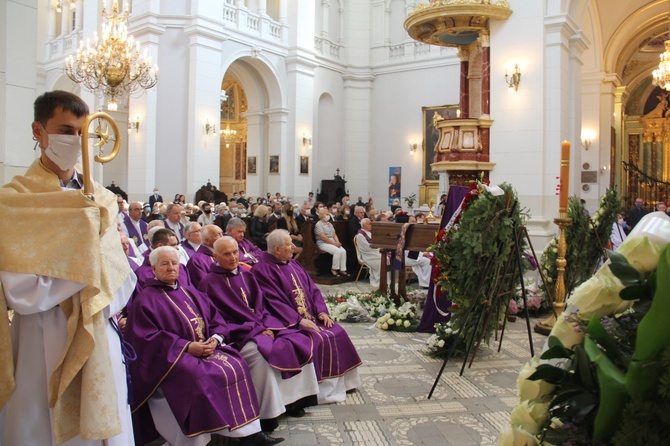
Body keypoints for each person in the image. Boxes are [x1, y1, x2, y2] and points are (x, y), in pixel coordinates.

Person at [0, 90, 137, 445]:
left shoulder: (102, 199)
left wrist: (95, 269)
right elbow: (21, 292)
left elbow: (124, 281)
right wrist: (87, 261)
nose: (74, 140)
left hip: (99, 328)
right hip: (43, 336)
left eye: (81, 132)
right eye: (65, 130)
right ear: (38, 131)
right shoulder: (15, 201)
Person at [125, 247, 283, 446]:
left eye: (174, 263)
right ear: (153, 269)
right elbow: (146, 339)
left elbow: (216, 320)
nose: (171, 268)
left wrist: (216, 339)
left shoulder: (189, 292)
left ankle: (249, 434)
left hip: (205, 349)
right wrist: (187, 347)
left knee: (236, 364)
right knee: (199, 377)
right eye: (164, 264)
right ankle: (201, 438)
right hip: (172, 359)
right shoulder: (145, 300)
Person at [199, 237, 320, 426]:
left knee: (297, 340)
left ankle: (294, 401)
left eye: (235, 252)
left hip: (263, 326)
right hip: (239, 335)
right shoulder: (208, 284)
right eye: (226, 254)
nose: (232, 257)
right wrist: (255, 330)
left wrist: (267, 325)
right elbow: (217, 320)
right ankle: (267, 414)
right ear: (215, 256)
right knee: (261, 355)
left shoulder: (247, 275)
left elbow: (262, 305)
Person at [251, 230, 362, 404]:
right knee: (317, 338)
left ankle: (345, 383)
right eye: (289, 244)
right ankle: (321, 391)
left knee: (337, 331)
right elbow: (272, 301)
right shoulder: (262, 270)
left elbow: (313, 289)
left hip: (312, 316)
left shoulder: (293, 264)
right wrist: (297, 320)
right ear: (278, 249)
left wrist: (321, 311)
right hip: (289, 322)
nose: (293, 247)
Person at [315, 208, 348, 277]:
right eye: (327, 214)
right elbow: (323, 237)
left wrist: (337, 242)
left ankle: (343, 269)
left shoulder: (329, 224)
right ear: (322, 215)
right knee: (337, 251)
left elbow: (334, 234)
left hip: (332, 241)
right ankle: (334, 269)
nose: (328, 216)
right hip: (323, 243)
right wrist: (334, 244)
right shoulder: (318, 225)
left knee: (343, 251)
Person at [354, 218, 384, 288]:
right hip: (368, 255)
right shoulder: (360, 235)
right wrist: (377, 248)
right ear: (364, 225)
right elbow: (366, 248)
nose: (371, 225)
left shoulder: (371, 233)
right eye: (369, 224)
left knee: (387, 258)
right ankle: (379, 280)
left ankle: (387, 280)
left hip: (375, 252)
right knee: (381, 259)